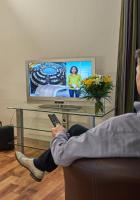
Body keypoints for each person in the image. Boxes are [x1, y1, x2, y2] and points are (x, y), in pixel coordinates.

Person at [15, 50, 140, 182]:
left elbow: (61, 155)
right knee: (75, 129)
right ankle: (39, 166)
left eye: (137, 72)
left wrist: (59, 134)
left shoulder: (123, 125)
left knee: (68, 135)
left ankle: (38, 165)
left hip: (108, 171)